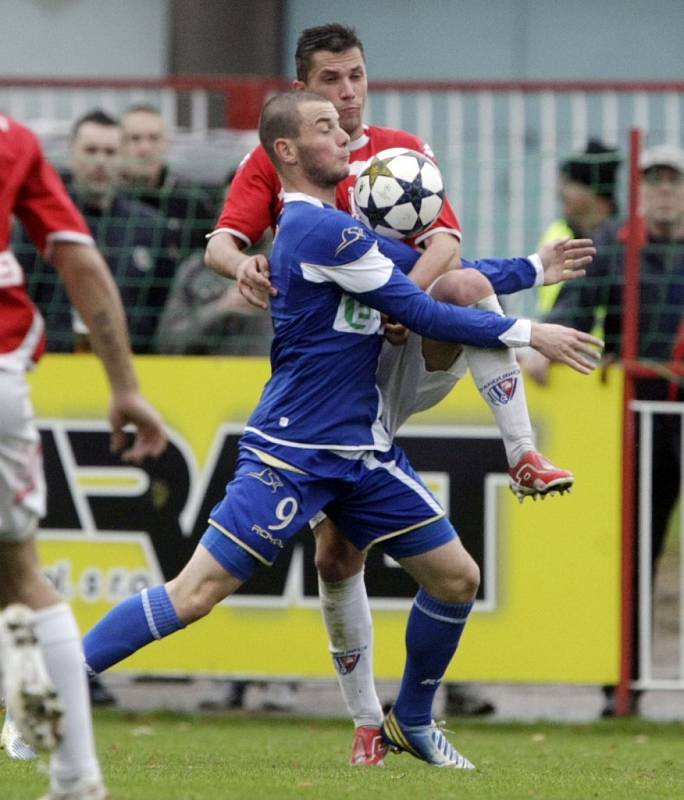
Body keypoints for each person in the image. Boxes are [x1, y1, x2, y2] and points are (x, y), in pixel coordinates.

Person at [79, 90, 601, 770]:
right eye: (326, 126)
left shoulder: (340, 228)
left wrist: (530, 270)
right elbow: (425, 310)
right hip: (293, 451)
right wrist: (533, 329)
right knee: (195, 594)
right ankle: (41, 691)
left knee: (455, 579)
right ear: (289, 153)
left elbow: (445, 276)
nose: (346, 134)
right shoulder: (317, 231)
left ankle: (408, 719)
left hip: (360, 453)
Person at [204, 22, 578, 759]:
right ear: (301, 92)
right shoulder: (277, 159)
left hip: (404, 348)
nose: (347, 94)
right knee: (338, 558)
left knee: (467, 289)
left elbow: (446, 244)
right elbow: (222, 239)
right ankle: (370, 726)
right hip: (336, 382)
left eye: (356, 77)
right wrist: (238, 265)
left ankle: (525, 455)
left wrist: (400, 300)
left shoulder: (400, 151)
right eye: (330, 82)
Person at [0, 113, 167, 799]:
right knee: (19, 577)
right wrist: (125, 386)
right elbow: (78, 257)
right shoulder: (11, 139)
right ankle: (74, 778)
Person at [522, 143, 684, 716]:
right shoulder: (615, 245)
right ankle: (624, 684)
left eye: (674, 180)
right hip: (633, 420)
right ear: (640, 190)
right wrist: (543, 342)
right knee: (630, 551)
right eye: (655, 179)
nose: (665, 190)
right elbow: (575, 303)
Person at [19, 109, 175, 354]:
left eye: (110, 152)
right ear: (72, 154)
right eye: (91, 151)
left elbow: (160, 305)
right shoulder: (40, 220)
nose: (100, 161)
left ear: (123, 157)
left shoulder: (150, 226)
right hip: (53, 363)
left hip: (136, 364)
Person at [536, 139, 621, 318]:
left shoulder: (622, 240)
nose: (561, 192)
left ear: (593, 191)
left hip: (606, 344)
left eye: (570, 183)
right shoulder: (557, 233)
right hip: (557, 338)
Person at [120, 103, 216, 258]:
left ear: (166, 144)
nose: (145, 148)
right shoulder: (108, 200)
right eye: (135, 139)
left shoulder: (193, 202)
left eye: (154, 138)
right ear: (119, 145)